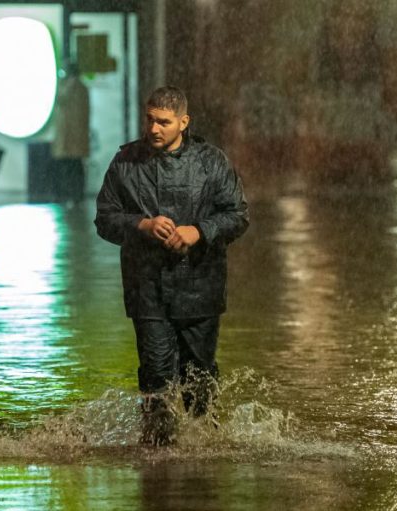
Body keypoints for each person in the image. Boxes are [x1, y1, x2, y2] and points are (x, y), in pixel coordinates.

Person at [94, 86, 249, 445]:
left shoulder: (211, 162)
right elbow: (104, 219)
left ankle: (203, 450)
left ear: (184, 122)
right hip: (147, 288)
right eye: (150, 120)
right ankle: (157, 453)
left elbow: (239, 215)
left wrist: (200, 231)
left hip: (201, 287)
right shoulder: (126, 163)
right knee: (156, 376)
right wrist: (142, 225)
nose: (154, 129)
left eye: (163, 122)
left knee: (199, 377)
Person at [51, 60, 89, 204]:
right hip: (76, 136)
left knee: (69, 168)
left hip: (69, 136)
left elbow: (60, 99)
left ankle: (69, 195)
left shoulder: (71, 86)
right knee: (76, 167)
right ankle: (76, 195)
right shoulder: (82, 87)